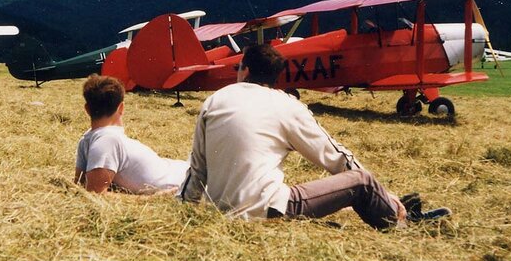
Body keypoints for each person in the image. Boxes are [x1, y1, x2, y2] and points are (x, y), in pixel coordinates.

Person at [179, 44, 450, 228]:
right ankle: (402, 221)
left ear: (245, 70)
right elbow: (335, 157)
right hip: (268, 210)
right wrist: (384, 193)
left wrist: (185, 213)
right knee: (363, 182)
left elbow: (197, 169)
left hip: (222, 212)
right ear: (275, 77)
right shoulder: (286, 105)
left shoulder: (215, 100)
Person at [75, 74, 189, 194]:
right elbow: (95, 192)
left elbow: (80, 184)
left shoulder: (87, 139)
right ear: (121, 108)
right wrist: (149, 199)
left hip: (180, 170)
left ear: (87, 109)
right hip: (183, 179)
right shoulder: (107, 140)